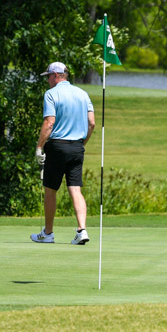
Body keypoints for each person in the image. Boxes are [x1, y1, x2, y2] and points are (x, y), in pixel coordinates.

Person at [31, 62, 95, 245]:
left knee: (50, 189)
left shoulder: (51, 94)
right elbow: (92, 123)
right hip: (77, 147)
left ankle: (48, 233)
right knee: (75, 189)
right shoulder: (83, 94)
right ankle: (82, 230)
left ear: (56, 75)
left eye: (49, 76)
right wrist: (82, 143)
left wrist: (39, 147)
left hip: (57, 146)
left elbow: (49, 123)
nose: (48, 80)